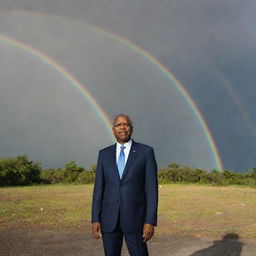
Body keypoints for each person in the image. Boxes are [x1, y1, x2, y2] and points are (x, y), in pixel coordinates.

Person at [92, 114, 158, 256]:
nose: (122, 127)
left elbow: (151, 190)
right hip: (109, 221)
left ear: (131, 128)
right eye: (118, 125)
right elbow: (99, 189)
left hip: (136, 221)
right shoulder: (104, 154)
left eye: (126, 124)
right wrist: (95, 219)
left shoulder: (145, 152)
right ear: (113, 130)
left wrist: (150, 221)